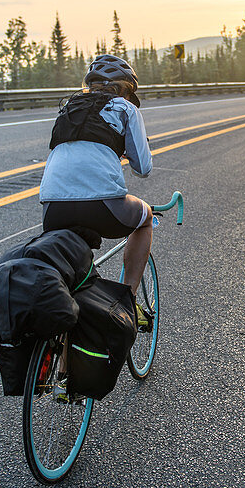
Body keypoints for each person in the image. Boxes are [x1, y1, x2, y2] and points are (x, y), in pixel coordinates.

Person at [39, 54, 154, 316]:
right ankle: (127, 304)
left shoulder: (68, 108)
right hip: (102, 204)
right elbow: (143, 169)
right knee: (146, 219)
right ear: (125, 89)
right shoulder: (126, 109)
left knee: (72, 265)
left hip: (52, 207)